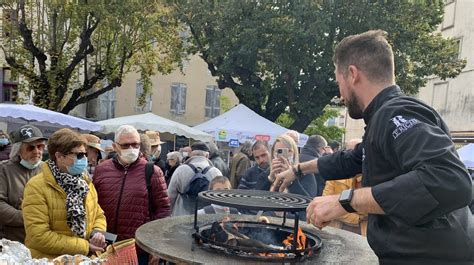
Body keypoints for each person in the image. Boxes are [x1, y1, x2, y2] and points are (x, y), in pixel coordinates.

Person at [273, 30, 474, 264]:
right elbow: (350, 159)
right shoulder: (381, 118)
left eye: (339, 83)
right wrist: (298, 170)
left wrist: (344, 201)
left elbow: (449, 179)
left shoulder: (396, 113)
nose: (340, 94)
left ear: (352, 74)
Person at [22, 128, 106, 259]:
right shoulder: (36, 186)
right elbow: (38, 236)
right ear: (59, 156)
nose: (84, 159)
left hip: (82, 259)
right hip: (51, 260)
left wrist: (97, 232)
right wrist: (85, 246)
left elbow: (98, 214)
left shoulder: (85, 182)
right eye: (78, 155)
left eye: (85, 154)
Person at [93, 125, 170, 264]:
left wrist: (157, 246)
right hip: (105, 246)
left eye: (135, 144)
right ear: (115, 146)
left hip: (138, 249)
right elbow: (93, 205)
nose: (131, 149)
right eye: (126, 145)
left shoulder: (152, 171)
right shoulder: (101, 170)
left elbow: (163, 210)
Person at [0, 125, 47, 242]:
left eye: (40, 146)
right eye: (30, 148)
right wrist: (27, 217)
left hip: (43, 239)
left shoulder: (49, 169)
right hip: (13, 240)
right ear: (18, 150)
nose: (36, 151)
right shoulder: (4, 170)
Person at [322, 139, 367, 236]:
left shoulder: (371, 177)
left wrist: (338, 210)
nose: (351, 157)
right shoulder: (334, 176)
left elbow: (369, 210)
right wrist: (357, 218)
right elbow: (326, 204)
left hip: (364, 234)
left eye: (356, 153)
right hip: (336, 231)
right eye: (349, 152)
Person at [168, 142, 222, 216]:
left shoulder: (180, 170)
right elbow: (220, 200)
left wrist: (170, 213)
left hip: (181, 217)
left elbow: (170, 196)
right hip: (206, 218)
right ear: (207, 155)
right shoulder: (216, 172)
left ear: (191, 154)